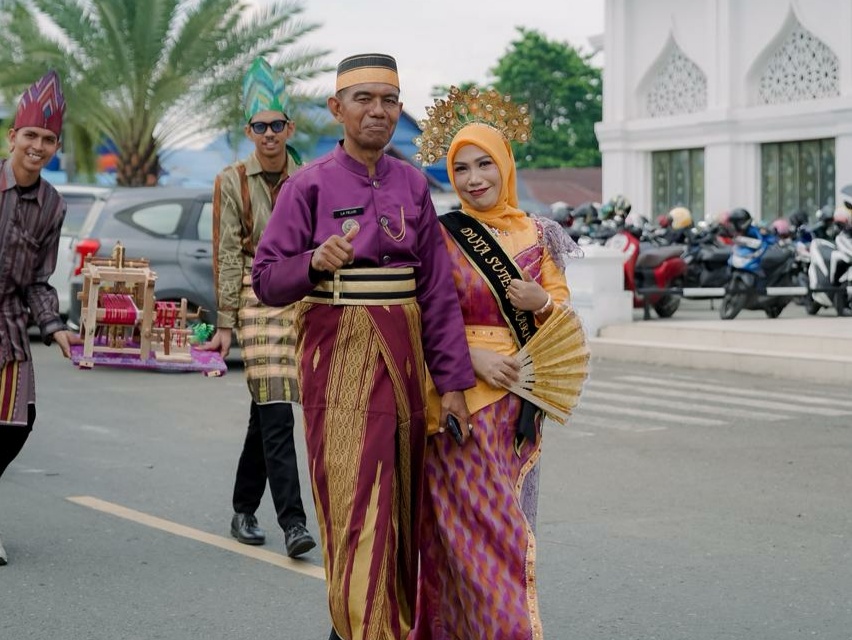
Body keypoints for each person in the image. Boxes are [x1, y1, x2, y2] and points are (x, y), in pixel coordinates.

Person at [251, 53, 475, 640]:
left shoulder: (413, 184)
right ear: (337, 108)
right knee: (355, 502)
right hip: (339, 357)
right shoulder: (308, 185)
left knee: (399, 506)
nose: (378, 110)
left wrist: (453, 385)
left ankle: (368, 629)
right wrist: (312, 261)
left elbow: (436, 291)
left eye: (389, 100)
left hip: (405, 357)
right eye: (364, 99)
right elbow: (267, 280)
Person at [410, 87, 581, 639]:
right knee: (483, 538)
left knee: (503, 527)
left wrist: (542, 301)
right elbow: (422, 315)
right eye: (460, 168)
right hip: (462, 400)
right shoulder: (440, 236)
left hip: (521, 407)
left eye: (484, 163)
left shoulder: (540, 234)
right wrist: (470, 357)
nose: (473, 178)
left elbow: (566, 320)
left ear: (505, 164)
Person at [198, 58, 316, 558]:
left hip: (302, 295)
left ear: (289, 128)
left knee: (266, 406)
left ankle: (243, 508)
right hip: (255, 292)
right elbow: (227, 251)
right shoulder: (231, 180)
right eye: (259, 126)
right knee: (277, 409)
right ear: (249, 131)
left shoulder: (309, 178)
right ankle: (293, 522)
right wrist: (225, 322)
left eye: (276, 125)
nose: (269, 134)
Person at [0, 70, 81, 566]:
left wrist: (55, 327)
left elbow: (38, 280)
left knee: (17, 422)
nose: (38, 146)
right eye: (31, 135)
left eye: (48, 139)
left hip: (9, 322)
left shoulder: (52, 204)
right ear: (13, 136)